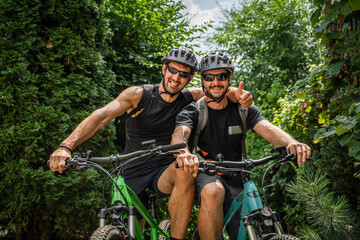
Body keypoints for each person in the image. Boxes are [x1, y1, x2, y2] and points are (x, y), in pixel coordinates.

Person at [49, 47, 253, 240]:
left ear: (190, 78)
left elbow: (217, 89)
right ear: (164, 68)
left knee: (185, 168)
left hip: (163, 171)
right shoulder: (139, 95)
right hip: (132, 171)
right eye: (173, 70)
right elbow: (101, 116)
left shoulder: (188, 96)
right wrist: (66, 146)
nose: (176, 77)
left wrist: (239, 95)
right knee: (125, 232)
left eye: (183, 74)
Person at [171, 52, 311, 240]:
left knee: (247, 228)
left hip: (237, 178)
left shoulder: (243, 110)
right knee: (214, 191)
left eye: (222, 76)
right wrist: (183, 153)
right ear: (202, 80)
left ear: (229, 78)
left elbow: (268, 129)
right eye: (209, 77)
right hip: (206, 176)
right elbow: (180, 134)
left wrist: (291, 143)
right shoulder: (193, 111)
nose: (215, 82)